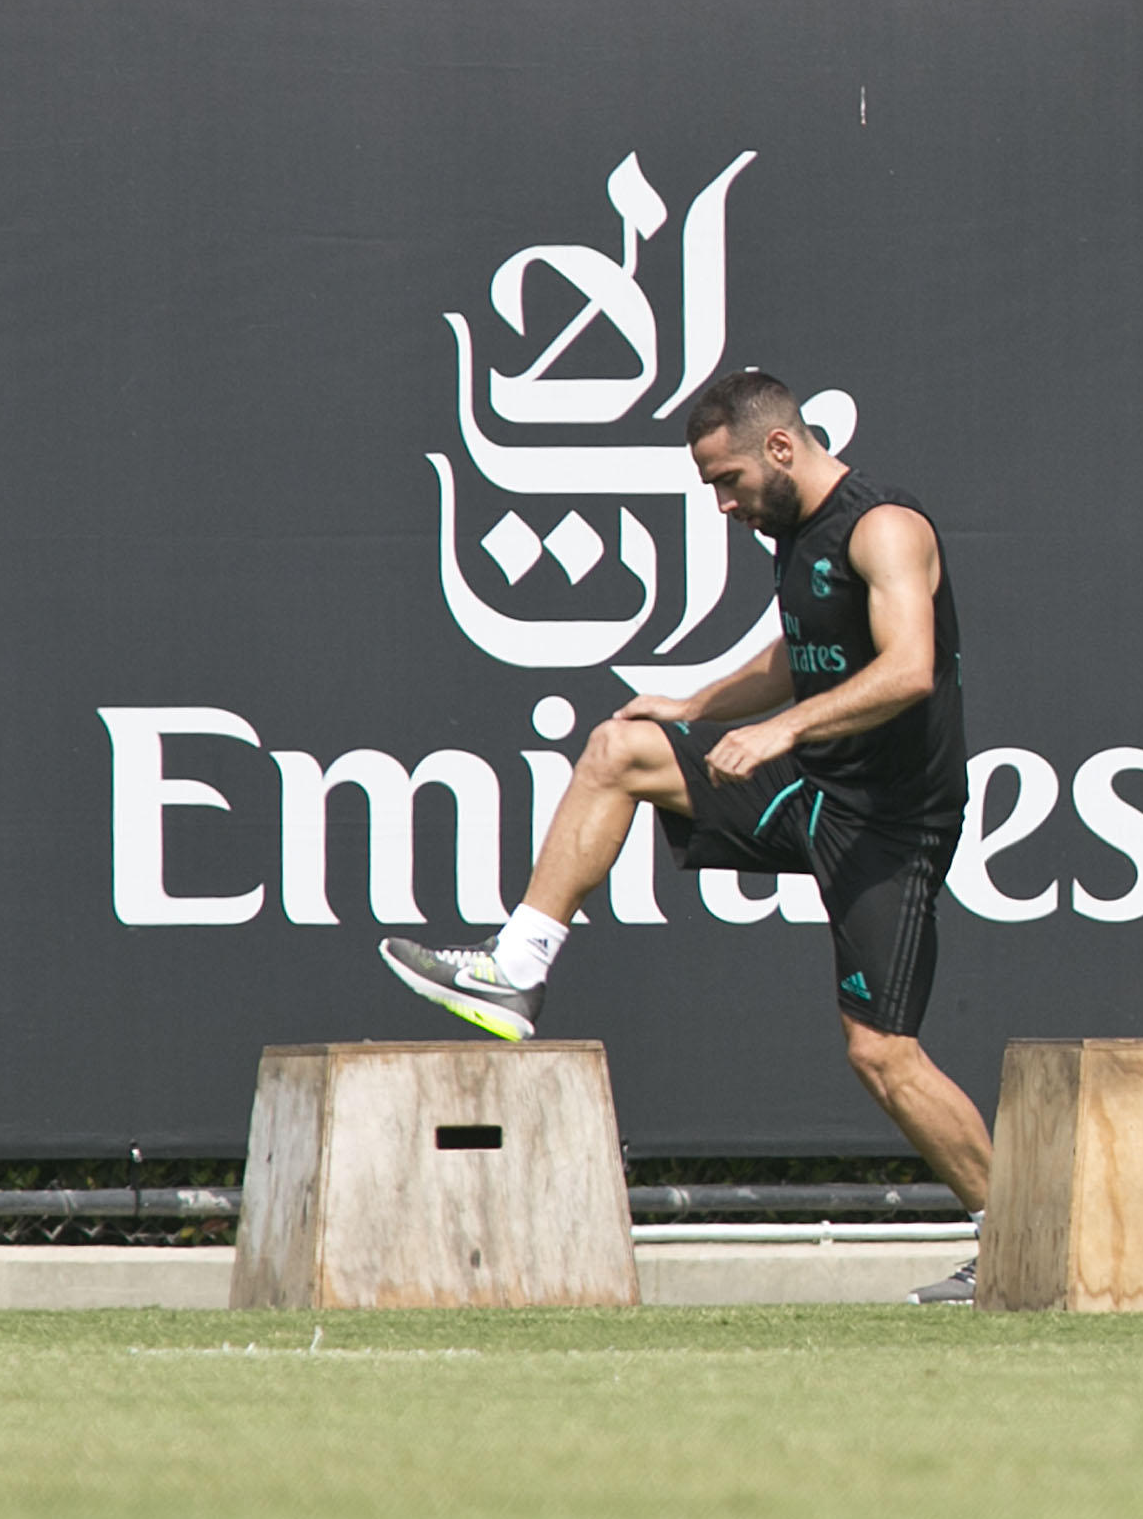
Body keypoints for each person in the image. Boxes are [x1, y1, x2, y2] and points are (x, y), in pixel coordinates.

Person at [378, 370, 995, 1305]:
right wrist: (698, 703)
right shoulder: (792, 534)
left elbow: (907, 670)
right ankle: (518, 967)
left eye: (729, 481)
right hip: (812, 789)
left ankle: (1015, 1234)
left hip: (892, 825)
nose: (722, 504)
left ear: (781, 448)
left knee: (881, 1054)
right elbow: (803, 649)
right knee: (621, 750)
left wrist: (782, 730)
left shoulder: (886, 528)